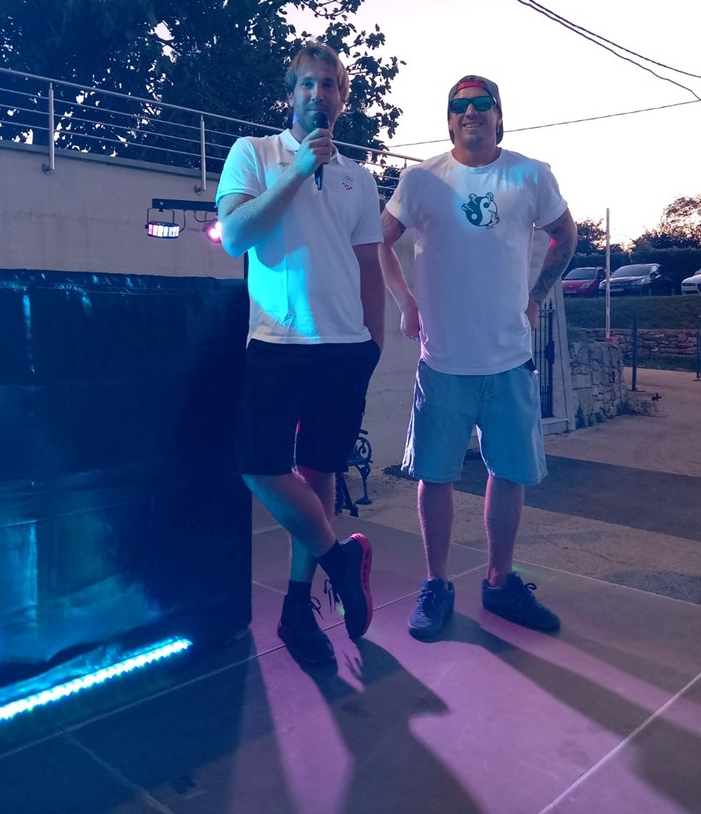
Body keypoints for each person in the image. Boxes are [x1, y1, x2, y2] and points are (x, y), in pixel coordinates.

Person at [379, 75, 577, 639]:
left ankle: (499, 582)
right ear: (449, 120)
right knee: (435, 476)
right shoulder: (421, 180)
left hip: (509, 360)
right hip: (443, 362)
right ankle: (436, 584)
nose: (470, 111)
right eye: (459, 105)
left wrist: (538, 296)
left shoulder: (530, 174)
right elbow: (376, 240)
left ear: (498, 115)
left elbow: (565, 234)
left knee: (508, 473)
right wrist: (406, 302)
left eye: (481, 103)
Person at [216, 41, 385, 665]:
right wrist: (296, 171)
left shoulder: (358, 177)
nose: (319, 94)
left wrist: (374, 341)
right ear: (290, 95)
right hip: (278, 342)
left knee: (319, 474)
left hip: (346, 349)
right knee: (258, 465)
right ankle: (342, 561)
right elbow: (235, 235)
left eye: (330, 85)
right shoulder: (254, 153)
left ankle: (296, 611)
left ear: (342, 99)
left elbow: (369, 263)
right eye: (308, 84)